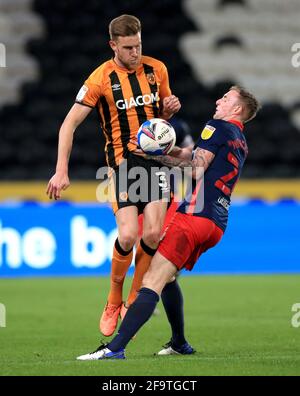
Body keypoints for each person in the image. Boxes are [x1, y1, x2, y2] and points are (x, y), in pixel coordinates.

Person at [76, 85, 260, 360]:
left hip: (195, 218)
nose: (218, 100)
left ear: (237, 109)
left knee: (153, 279)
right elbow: (195, 155)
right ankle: (178, 342)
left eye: (226, 98)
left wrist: (156, 157)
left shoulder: (217, 126)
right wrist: (164, 151)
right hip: (217, 223)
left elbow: (197, 167)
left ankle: (115, 348)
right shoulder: (239, 139)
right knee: (170, 278)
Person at [46, 15, 181, 337]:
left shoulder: (156, 69)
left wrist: (169, 111)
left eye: (139, 45)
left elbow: (157, 121)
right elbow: (68, 124)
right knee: (127, 236)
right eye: (128, 47)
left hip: (157, 162)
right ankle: (113, 299)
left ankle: (134, 296)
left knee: (152, 235)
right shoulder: (99, 79)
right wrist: (61, 170)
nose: (135, 52)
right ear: (113, 46)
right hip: (122, 165)